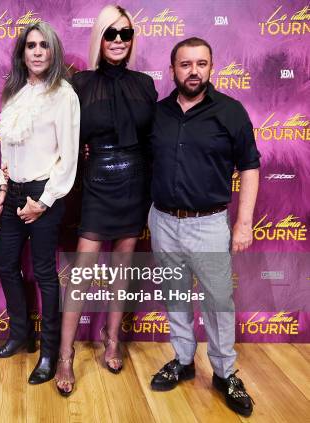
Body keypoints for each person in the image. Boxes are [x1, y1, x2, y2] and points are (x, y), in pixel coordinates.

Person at [148, 37, 259, 417]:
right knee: (175, 297)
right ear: (173, 69)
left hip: (209, 224)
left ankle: (226, 373)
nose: (193, 71)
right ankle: (182, 360)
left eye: (201, 63)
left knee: (218, 303)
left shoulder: (230, 111)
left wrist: (244, 223)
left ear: (211, 67)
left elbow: (249, 167)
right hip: (162, 221)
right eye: (185, 64)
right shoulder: (158, 113)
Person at [54, 5, 157, 396]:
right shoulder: (79, 83)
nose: (118, 40)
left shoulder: (145, 84)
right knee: (81, 275)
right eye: (110, 33)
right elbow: (67, 140)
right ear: (99, 37)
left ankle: (113, 339)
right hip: (97, 182)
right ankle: (65, 354)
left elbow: (152, 141)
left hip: (135, 183)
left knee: (122, 269)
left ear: (132, 40)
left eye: (125, 34)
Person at [0, 22, 80, 385]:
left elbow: (68, 157)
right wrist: (1, 188)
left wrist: (42, 201)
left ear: (53, 51)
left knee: (44, 272)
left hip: (46, 192)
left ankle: (49, 354)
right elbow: (7, 149)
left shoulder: (64, 95)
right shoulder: (14, 93)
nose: (38, 51)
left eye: (44, 45)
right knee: (5, 263)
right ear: (22, 53)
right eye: (31, 46)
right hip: (13, 192)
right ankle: (20, 335)